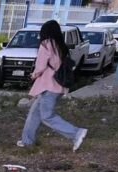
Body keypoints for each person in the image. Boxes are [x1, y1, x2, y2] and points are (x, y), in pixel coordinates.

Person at [17, 20, 87, 151]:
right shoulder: (60, 45)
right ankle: (27, 141)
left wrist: (33, 75)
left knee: (47, 116)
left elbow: (41, 65)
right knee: (35, 113)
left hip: (48, 85)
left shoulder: (46, 44)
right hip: (58, 85)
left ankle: (76, 133)